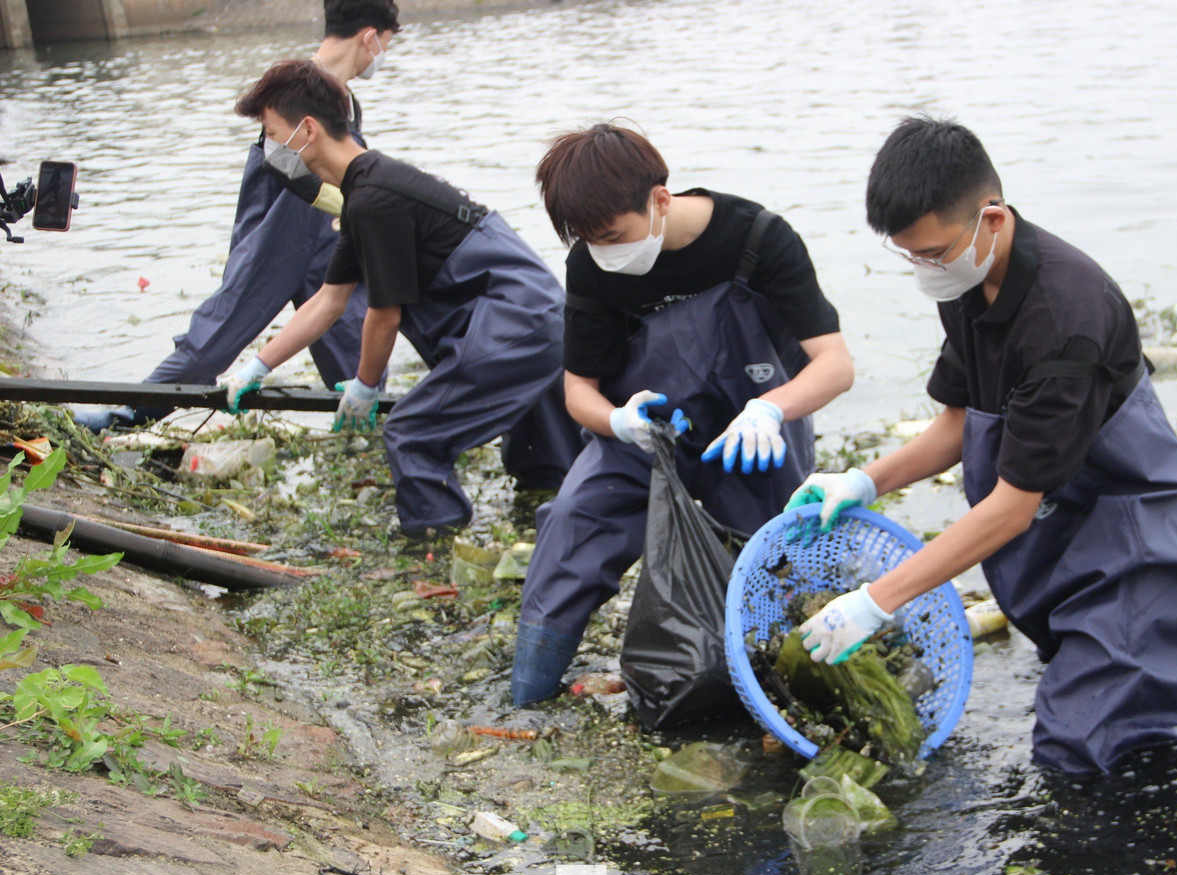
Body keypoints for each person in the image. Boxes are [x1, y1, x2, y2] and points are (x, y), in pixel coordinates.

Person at [792, 116, 1177, 776]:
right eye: (910, 256)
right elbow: (964, 420)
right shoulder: (965, 279)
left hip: (1134, 542)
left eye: (932, 252)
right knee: (1125, 711)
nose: (924, 269)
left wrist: (879, 598)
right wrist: (865, 480)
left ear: (990, 218)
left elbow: (1013, 506)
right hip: (1058, 534)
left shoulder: (1065, 316)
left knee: (1078, 755)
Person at [510, 123, 855, 706]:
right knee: (573, 521)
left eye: (615, 235)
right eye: (590, 241)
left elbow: (835, 364)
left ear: (660, 200)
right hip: (650, 431)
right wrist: (617, 421)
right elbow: (578, 390)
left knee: (779, 559)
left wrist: (769, 411)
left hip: (752, 432)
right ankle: (527, 691)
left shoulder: (759, 238)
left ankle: (780, 693)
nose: (605, 251)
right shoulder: (594, 264)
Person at [221, 60, 581, 536]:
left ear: (306, 129)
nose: (268, 147)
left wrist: (366, 386)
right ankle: (544, 533)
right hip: (533, 320)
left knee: (412, 435)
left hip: (517, 321)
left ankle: (433, 547)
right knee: (541, 463)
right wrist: (257, 367)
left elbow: (384, 315)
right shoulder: (365, 193)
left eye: (270, 131)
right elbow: (329, 302)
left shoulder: (374, 199)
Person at [72, 0, 400, 433]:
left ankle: (373, 441)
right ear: (370, 36)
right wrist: (352, 206)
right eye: (387, 44)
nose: (382, 56)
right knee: (219, 331)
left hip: (329, 236)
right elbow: (281, 163)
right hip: (279, 230)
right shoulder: (297, 87)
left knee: (355, 344)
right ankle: (126, 415)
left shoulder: (344, 99)